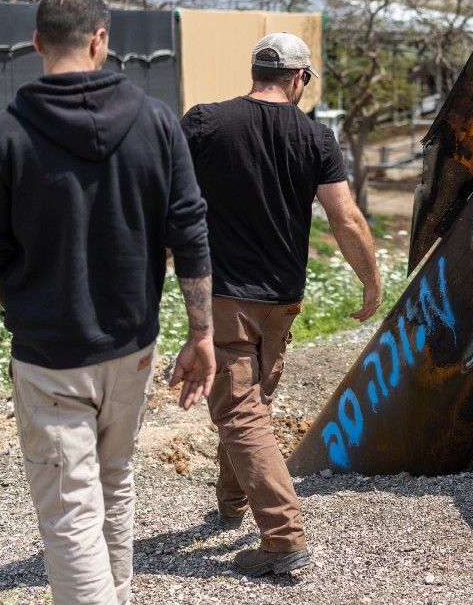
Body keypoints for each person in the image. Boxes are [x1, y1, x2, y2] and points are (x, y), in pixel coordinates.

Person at [0, 0, 215, 604]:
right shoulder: (157, 120)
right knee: (115, 481)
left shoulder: (4, 136)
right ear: (102, 41)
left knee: (70, 511)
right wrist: (202, 334)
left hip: (50, 357)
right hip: (133, 348)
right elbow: (191, 229)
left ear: (37, 44)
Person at [181, 31, 381, 577]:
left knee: (239, 407)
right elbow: (346, 218)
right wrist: (370, 280)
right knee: (248, 400)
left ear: (254, 71)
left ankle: (284, 536)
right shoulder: (316, 137)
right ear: (299, 79)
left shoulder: (204, 122)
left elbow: (162, 195)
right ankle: (231, 500)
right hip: (282, 300)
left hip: (224, 294)